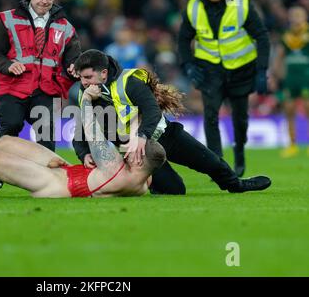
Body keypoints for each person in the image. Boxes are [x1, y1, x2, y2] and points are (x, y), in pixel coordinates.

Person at [0, 85, 167, 199]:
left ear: (140, 158)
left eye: (134, 150)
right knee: (6, 142)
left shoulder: (118, 168)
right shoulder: (143, 180)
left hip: (58, 185)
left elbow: (92, 129)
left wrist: (86, 99)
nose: (127, 149)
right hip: (70, 173)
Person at [71, 49, 272, 195]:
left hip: (164, 136)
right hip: (136, 153)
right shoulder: (85, 95)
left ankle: (236, 185)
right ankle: (151, 184)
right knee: (175, 190)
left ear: (104, 73)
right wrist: (84, 153)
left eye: (88, 77)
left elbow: (152, 111)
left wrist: (142, 136)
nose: (84, 83)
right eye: (82, 78)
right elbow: (81, 129)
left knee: (211, 163)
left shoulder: (129, 82)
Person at [0, 0, 81, 195]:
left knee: (47, 135)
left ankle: (50, 182)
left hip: (45, 90)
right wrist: (8, 65)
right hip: (12, 87)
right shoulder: (8, 19)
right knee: (11, 126)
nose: (45, 1)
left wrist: (74, 68)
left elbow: (74, 59)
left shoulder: (65, 27)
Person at [178, 0, 270, 177]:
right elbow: (183, 39)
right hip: (210, 71)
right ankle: (217, 163)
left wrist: (262, 70)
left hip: (241, 69)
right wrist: (188, 65)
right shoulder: (194, 6)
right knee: (211, 115)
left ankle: (239, 153)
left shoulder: (240, 3)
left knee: (240, 118)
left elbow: (262, 36)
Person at [270, 6, 309, 158]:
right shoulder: (285, 36)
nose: (296, 18)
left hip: (306, 77)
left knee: (307, 109)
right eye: (293, 15)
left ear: (305, 17)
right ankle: (292, 145)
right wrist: (274, 75)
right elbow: (279, 56)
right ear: (289, 18)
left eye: (299, 15)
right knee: (289, 110)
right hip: (290, 79)